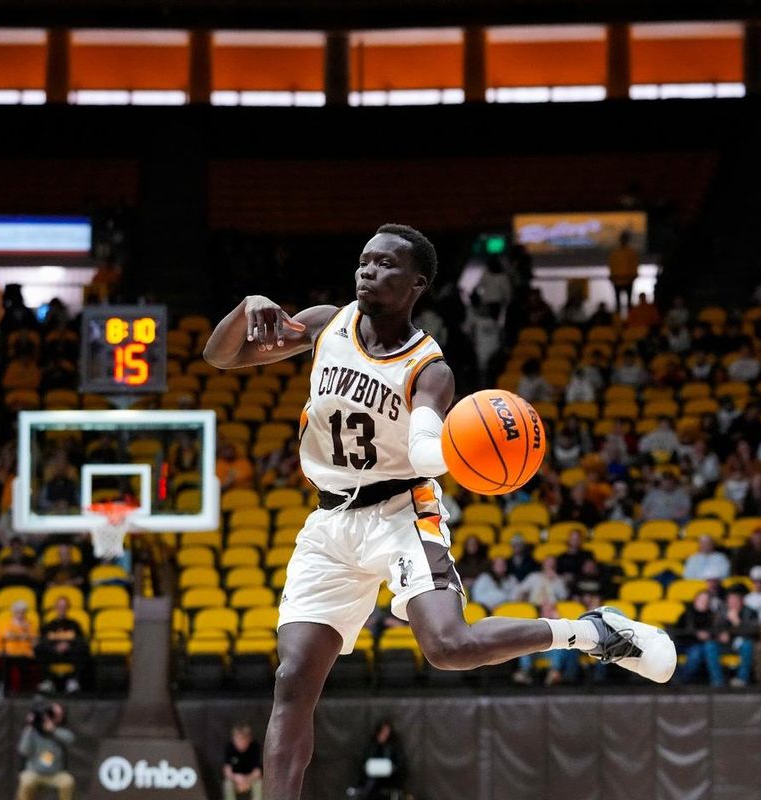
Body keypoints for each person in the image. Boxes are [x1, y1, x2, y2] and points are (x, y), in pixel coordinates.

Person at [203, 224, 674, 799]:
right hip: (328, 523)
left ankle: (591, 633)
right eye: (363, 261)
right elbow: (220, 357)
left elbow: (426, 448)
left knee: (448, 647)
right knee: (293, 679)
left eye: (383, 265)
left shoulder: (431, 370)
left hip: (402, 511)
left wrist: (455, 448)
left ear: (417, 283)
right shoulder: (327, 323)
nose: (366, 271)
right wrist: (245, 308)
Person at [15, 703, 74, 800]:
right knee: (26, 781)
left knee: (67, 782)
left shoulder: (58, 730)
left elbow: (70, 739)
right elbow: (23, 751)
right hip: (34, 772)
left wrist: (53, 730)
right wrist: (30, 728)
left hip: (55, 773)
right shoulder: (32, 732)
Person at [36, 596, 88, 694]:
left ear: (68, 608)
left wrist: (68, 645)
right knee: (38, 648)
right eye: (60, 606)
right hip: (53, 653)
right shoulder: (49, 625)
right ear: (56, 608)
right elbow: (43, 640)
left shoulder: (75, 624)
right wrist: (55, 647)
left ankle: (73, 681)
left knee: (83, 648)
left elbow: (81, 640)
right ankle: (47, 681)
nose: (62, 609)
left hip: (70, 653)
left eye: (64, 606)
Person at [677, 592, 724, 687]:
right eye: (701, 599)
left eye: (706, 600)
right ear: (695, 600)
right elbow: (679, 633)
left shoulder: (713, 615)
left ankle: (718, 683)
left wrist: (709, 636)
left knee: (709, 648)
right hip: (689, 644)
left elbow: (719, 632)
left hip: (709, 643)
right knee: (696, 653)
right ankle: (681, 680)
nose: (704, 602)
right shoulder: (686, 615)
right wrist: (696, 635)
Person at [345, 721, 403, 800]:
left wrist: (392, 768)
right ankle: (361, 793)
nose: (385, 733)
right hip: (372, 774)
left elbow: (399, 763)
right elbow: (365, 760)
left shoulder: (393, 746)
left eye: (387, 731)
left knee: (372, 782)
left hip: (388, 777)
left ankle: (360, 793)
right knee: (371, 779)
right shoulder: (372, 745)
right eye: (383, 731)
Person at [222, 723, 263, 800]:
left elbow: (258, 771)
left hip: (251, 779)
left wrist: (247, 779)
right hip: (235, 779)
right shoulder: (229, 747)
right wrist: (236, 778)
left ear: (249, 739)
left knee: (259, 784)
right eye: (237, 739)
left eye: (243, 739)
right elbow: (227, 769)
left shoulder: (254, 747)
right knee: (228, 785)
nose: (240, 742)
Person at [607, 231, 639, 313]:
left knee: (629, 303)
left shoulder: (631, 253)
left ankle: (630, 319)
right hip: (617, 280)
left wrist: (633, 276)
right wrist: (613, 276)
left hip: (628, 280)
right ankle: (618, 321)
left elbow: (634, 265)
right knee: (617, 303)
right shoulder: (615, 253)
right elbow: (612, 265)